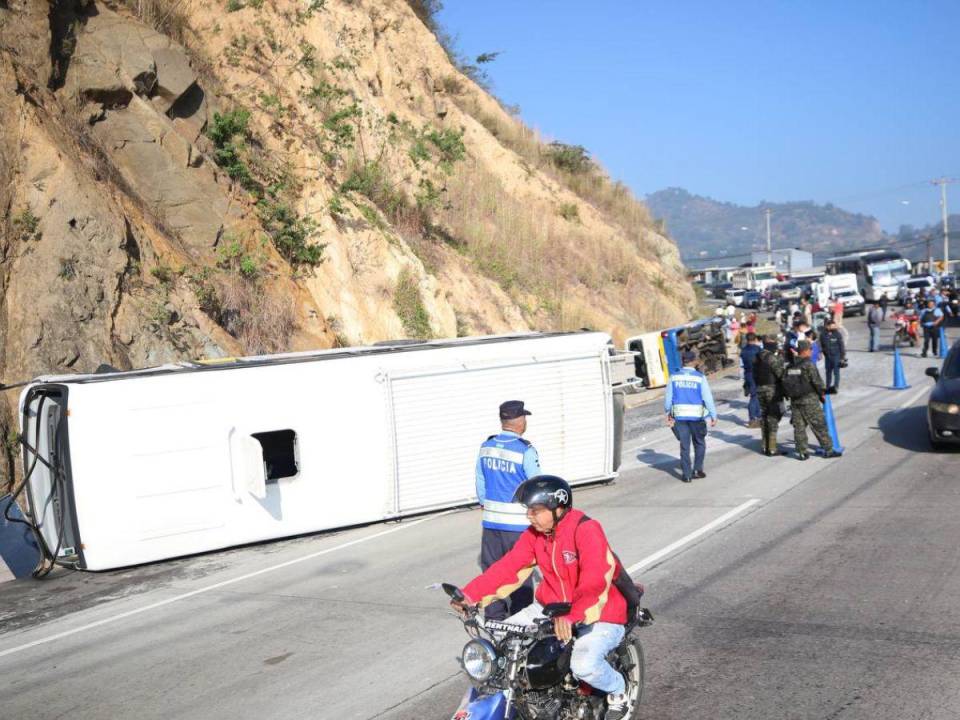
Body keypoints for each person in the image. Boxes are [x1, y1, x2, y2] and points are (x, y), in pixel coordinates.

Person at [454, 476, 633, 720]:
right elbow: (509, 567)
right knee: (499, 642)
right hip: (551, 607)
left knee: (584, 665)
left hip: (600, 611)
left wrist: (573, 616)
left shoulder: (586, 529)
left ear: (558, 508)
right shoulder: (535, 535)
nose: (530, 516)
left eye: (536, 511)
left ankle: (619, 691)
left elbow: (595, 579)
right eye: (528, 510)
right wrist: (470, 595)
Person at [474, 400, 541, 620]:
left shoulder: (487, 446)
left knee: (492, 571)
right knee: (521, 574)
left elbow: (481, 482)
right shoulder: (525, 451)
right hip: (518, 526)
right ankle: (520, 622)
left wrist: (487, 504)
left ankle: (494, 620)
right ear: (520, 421)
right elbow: (537, 487)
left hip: (491, 524)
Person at [664, 350, 718, 482]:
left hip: (680, 417)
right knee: (699, 443)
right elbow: (707, 398)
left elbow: (668, 399)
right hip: (696, 417)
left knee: (684, 446)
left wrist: (668, 412)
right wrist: (713, 414)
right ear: (694, 361)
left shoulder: (674, 377)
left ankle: (687, 475)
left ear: (683, 361)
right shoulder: (699, 377)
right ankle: (697, 470)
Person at [782, 340, 841, 461]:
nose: (812, 351)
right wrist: (822, 395)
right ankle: (828, 450)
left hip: (795, 400)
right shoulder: (808, 364)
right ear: (806, 350)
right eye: (810, 349)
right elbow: (817, 381)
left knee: (799, 426)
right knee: (819, 425)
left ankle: (802, 452)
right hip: (809, 399)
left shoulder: (791, 365)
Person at [753, 335, 785, 456]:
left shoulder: (757, 356)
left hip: (760, 389)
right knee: (773, 417)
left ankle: (764, 446)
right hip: (771, 389)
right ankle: (772, 448)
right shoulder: (771, 357)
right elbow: (780, 373)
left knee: (765, 417)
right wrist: (781, 359)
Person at [740, 333, 762, 428]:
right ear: (755, 339)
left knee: (755, 395)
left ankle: (758, 416)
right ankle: (753, 418)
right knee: (754, 396)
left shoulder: (743, 351)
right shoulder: (758, 349)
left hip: (747, 373)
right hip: (756, 373)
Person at [821, 319, 846, 394]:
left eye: (834, 325)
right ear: (827, 326)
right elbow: (822, 345)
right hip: (828, 357)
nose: (834, 327)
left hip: (836, 356)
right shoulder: (823, 334)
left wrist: (842, 357)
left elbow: (841, 346)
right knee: (828, 372)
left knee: (836, 372)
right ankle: (828, 386)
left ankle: (836, 387)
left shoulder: (837, 334)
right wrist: (824, 353)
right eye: (832, 326)